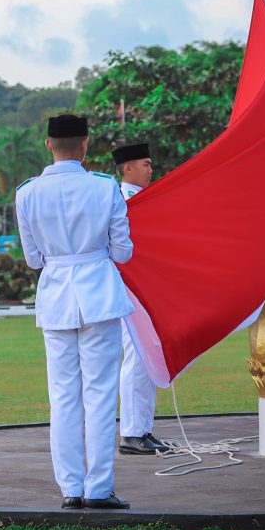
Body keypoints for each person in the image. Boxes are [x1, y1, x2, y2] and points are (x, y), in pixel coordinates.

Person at [14, 114, 134, 510]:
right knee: (100, 396)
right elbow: (122, 251)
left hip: (56, 299)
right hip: (99, 294)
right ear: (85, 145)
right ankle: (99, 488)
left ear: (48, 145)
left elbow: (33, 260)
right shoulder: (104, 187)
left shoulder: (27, 193)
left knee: (63, 397)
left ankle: (71, 489)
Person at [112, 143, 170, 456]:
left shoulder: (146, 199)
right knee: (136, 354)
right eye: (145, 164)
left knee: (148, 355)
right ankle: (131, 433)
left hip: (145, 288)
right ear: (128, 169)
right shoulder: (118, 201)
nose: (151, 169)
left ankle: (143, 429)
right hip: (127, 288)